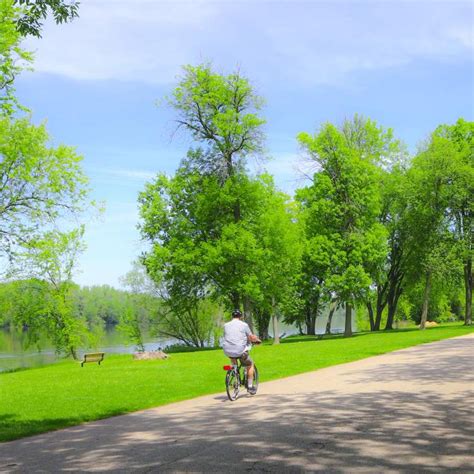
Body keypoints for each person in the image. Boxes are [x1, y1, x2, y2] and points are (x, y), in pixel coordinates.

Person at [222, 308, 261, 395]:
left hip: (227, 350)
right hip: (240, 351)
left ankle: (234, 370)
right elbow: (251, 337)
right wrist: (257, 341)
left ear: (232, 316)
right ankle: (250, 386)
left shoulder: (225, 325)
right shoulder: (244, 325)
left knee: (233, 359)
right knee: (250, 364)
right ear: (241, 316)